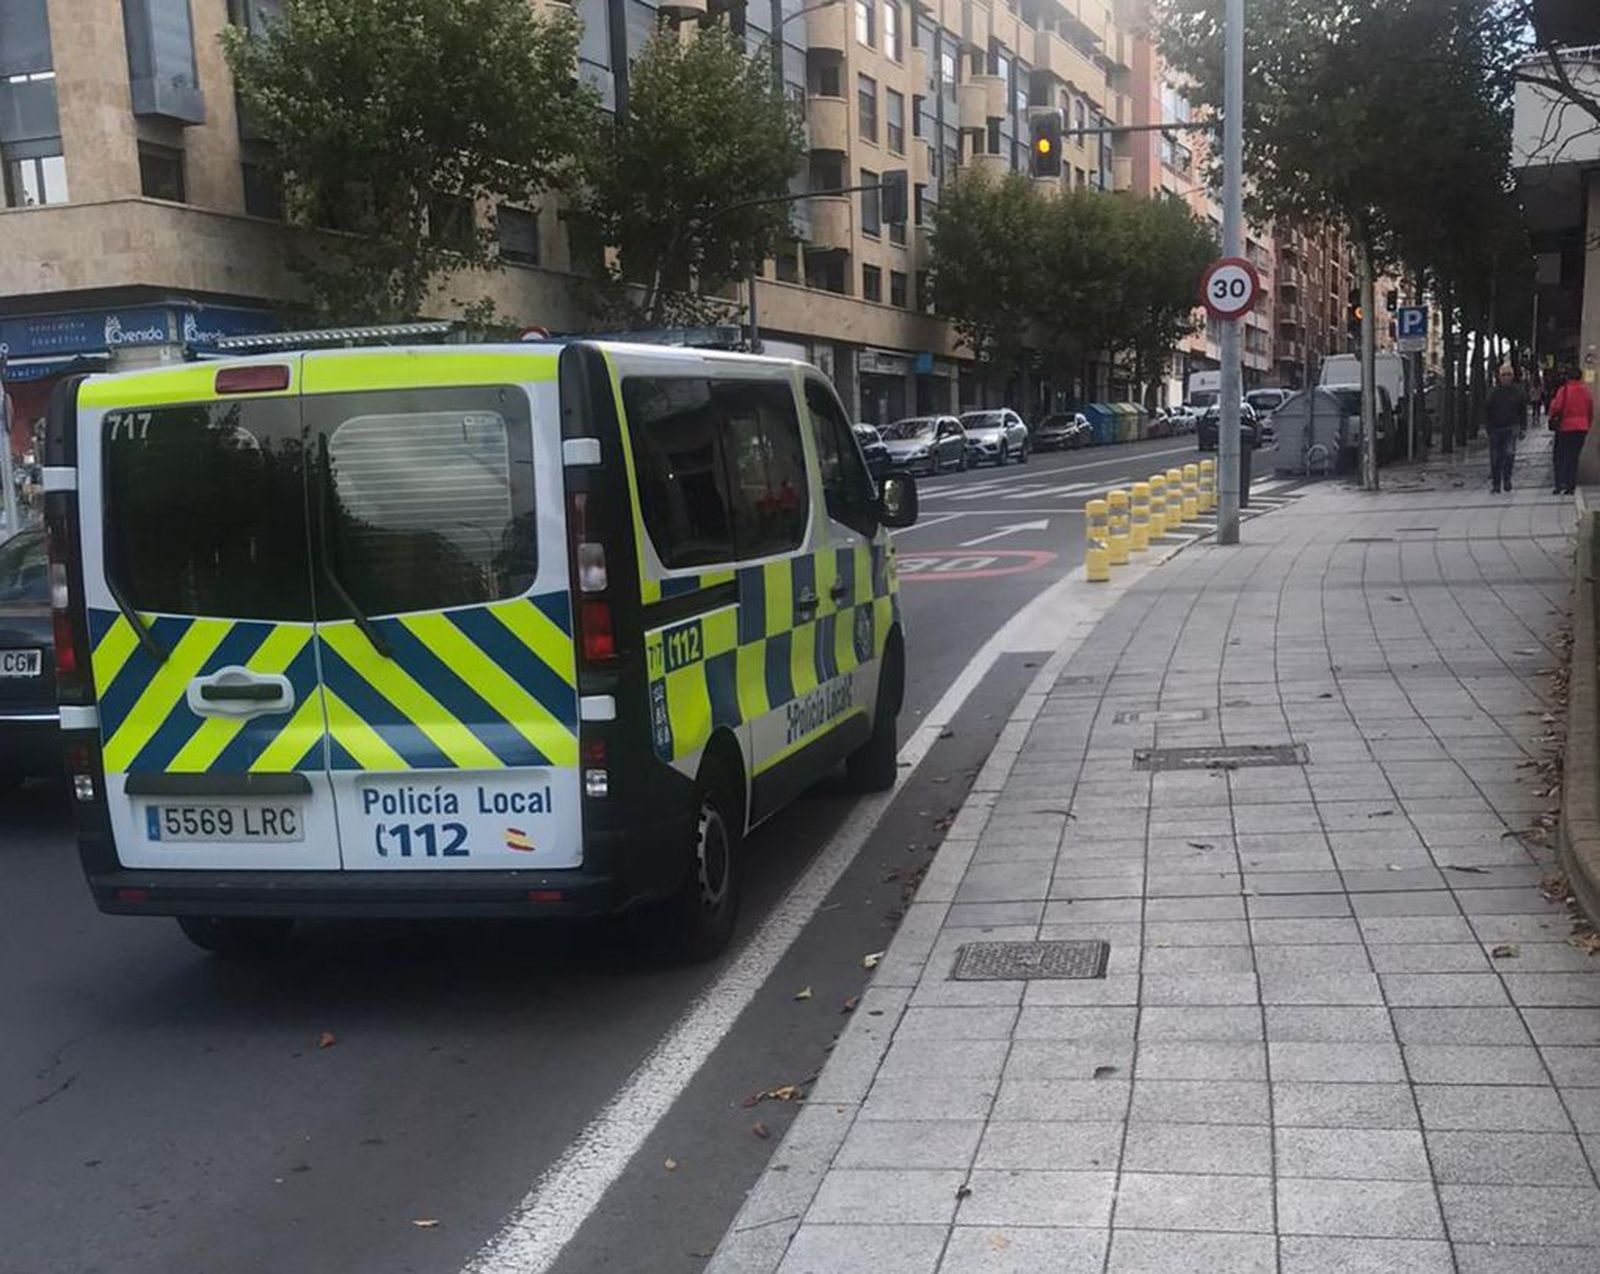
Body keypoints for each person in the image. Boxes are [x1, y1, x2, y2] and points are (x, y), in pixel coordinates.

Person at [1549, 367, 1594, 495]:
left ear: (1567, 377)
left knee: (1560, 456)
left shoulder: (1564, 390)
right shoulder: (1586, 392)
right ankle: (1571, 486)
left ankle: (1560, 484)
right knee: (1573, 457)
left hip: (1565, 428)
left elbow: (1556, 407)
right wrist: (1587, 424)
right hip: (1581, 428)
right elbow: (1590, 410)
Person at [1484, 364, 1525, 493]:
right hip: (1495, 428)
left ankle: (1507, 479)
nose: (1506, 377)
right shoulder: (1493, 392)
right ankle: (1496, 484)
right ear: (1499, 377)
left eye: (1509, 374)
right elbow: (1486, 410)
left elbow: (1522, 410)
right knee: (1495, 458)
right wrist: (1488, 428)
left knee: (1509, 454)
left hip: (1511, 427)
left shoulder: (1518, 391)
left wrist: (1522, 427)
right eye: (1503, 375)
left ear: (1512, 376)